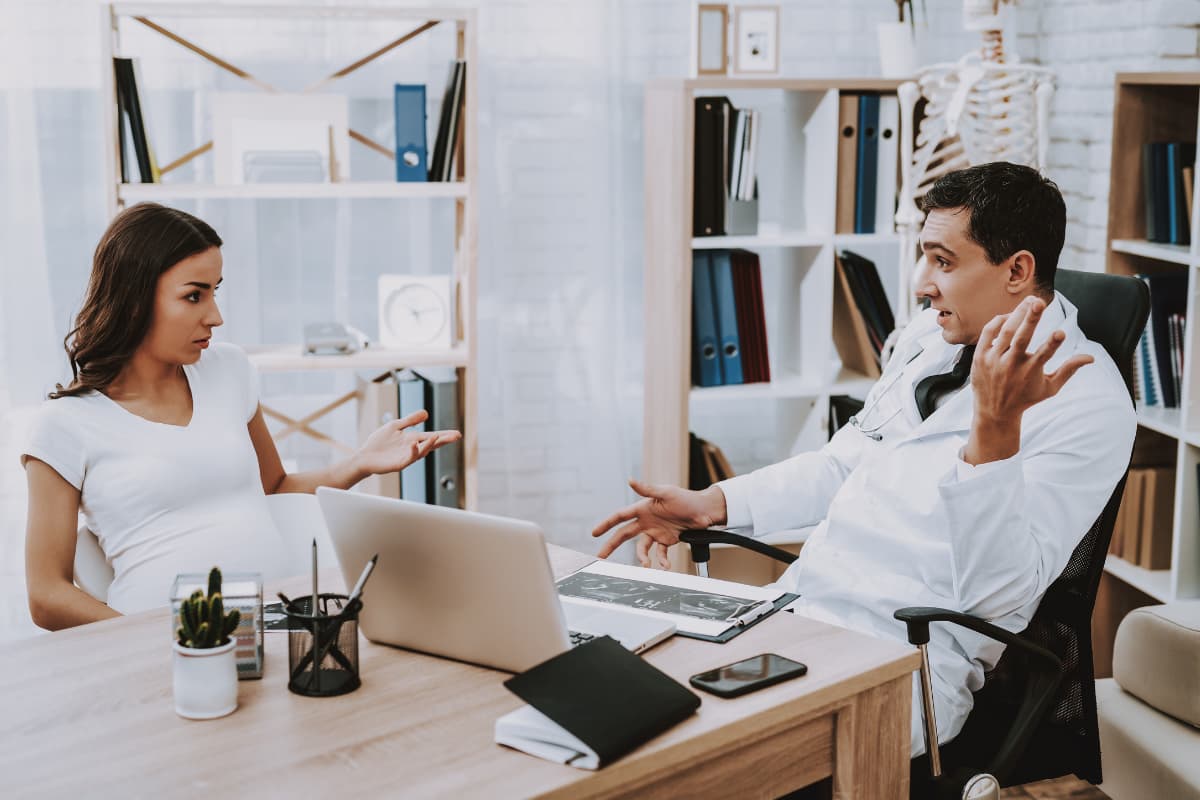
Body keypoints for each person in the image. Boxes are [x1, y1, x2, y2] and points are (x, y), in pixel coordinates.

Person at [591, 162, 1135, 756]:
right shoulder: (930, 339)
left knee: (685, 756)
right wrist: (714, 503)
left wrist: (993, 433)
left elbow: (995, 596)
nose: (921, 283)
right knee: (613, 690)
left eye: (943, 262)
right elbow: (842, 463)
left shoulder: (1088, 403)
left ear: (1017, 270)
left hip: (907, 664)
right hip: (796, 614)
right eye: (924, 258)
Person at [22, 203, 460, 629]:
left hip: (278, 624)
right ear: (133, 300)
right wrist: (150, 640)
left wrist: (361, 462)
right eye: (194, 296)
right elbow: (46, 594)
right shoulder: (65, 424)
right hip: (164, 647)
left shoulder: (228, 370)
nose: (215, 317)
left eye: (215, 292)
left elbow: (275, 487)